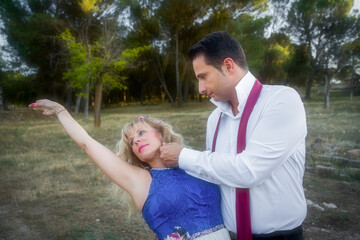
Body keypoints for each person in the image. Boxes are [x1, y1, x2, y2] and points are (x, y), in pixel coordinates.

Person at [159, 31, 307, 240]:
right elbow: (217, 171)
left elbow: (248, 171)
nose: (200, 89)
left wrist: (182, 156)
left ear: (228, 66)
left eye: (203, 76)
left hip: (280, 237)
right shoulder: (215, 119)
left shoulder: (282, 100)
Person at [29, 99, 231, 240]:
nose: (137, 140)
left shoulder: (193, 162)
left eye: (142, 133)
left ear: (161, 133)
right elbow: (87, 144)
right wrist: (61, 111)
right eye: (132, 142)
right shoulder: (141, 181)